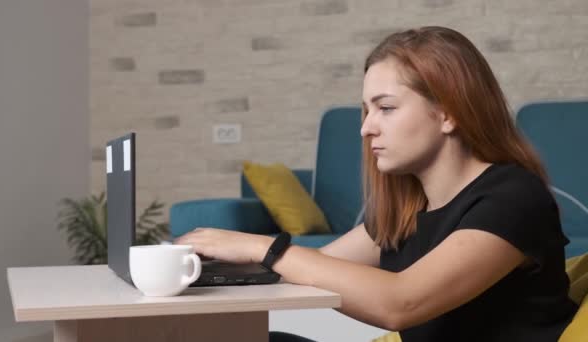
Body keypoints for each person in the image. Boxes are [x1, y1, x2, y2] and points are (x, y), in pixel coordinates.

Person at [175, 26, 578, 341]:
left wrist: (259, 244)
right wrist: (201, 266)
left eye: (385, 108)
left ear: (449, 113)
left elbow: (399, 302)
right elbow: (308, 270)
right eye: (365, 111)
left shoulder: (513, 198)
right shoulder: (409, 209)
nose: (366, 128)